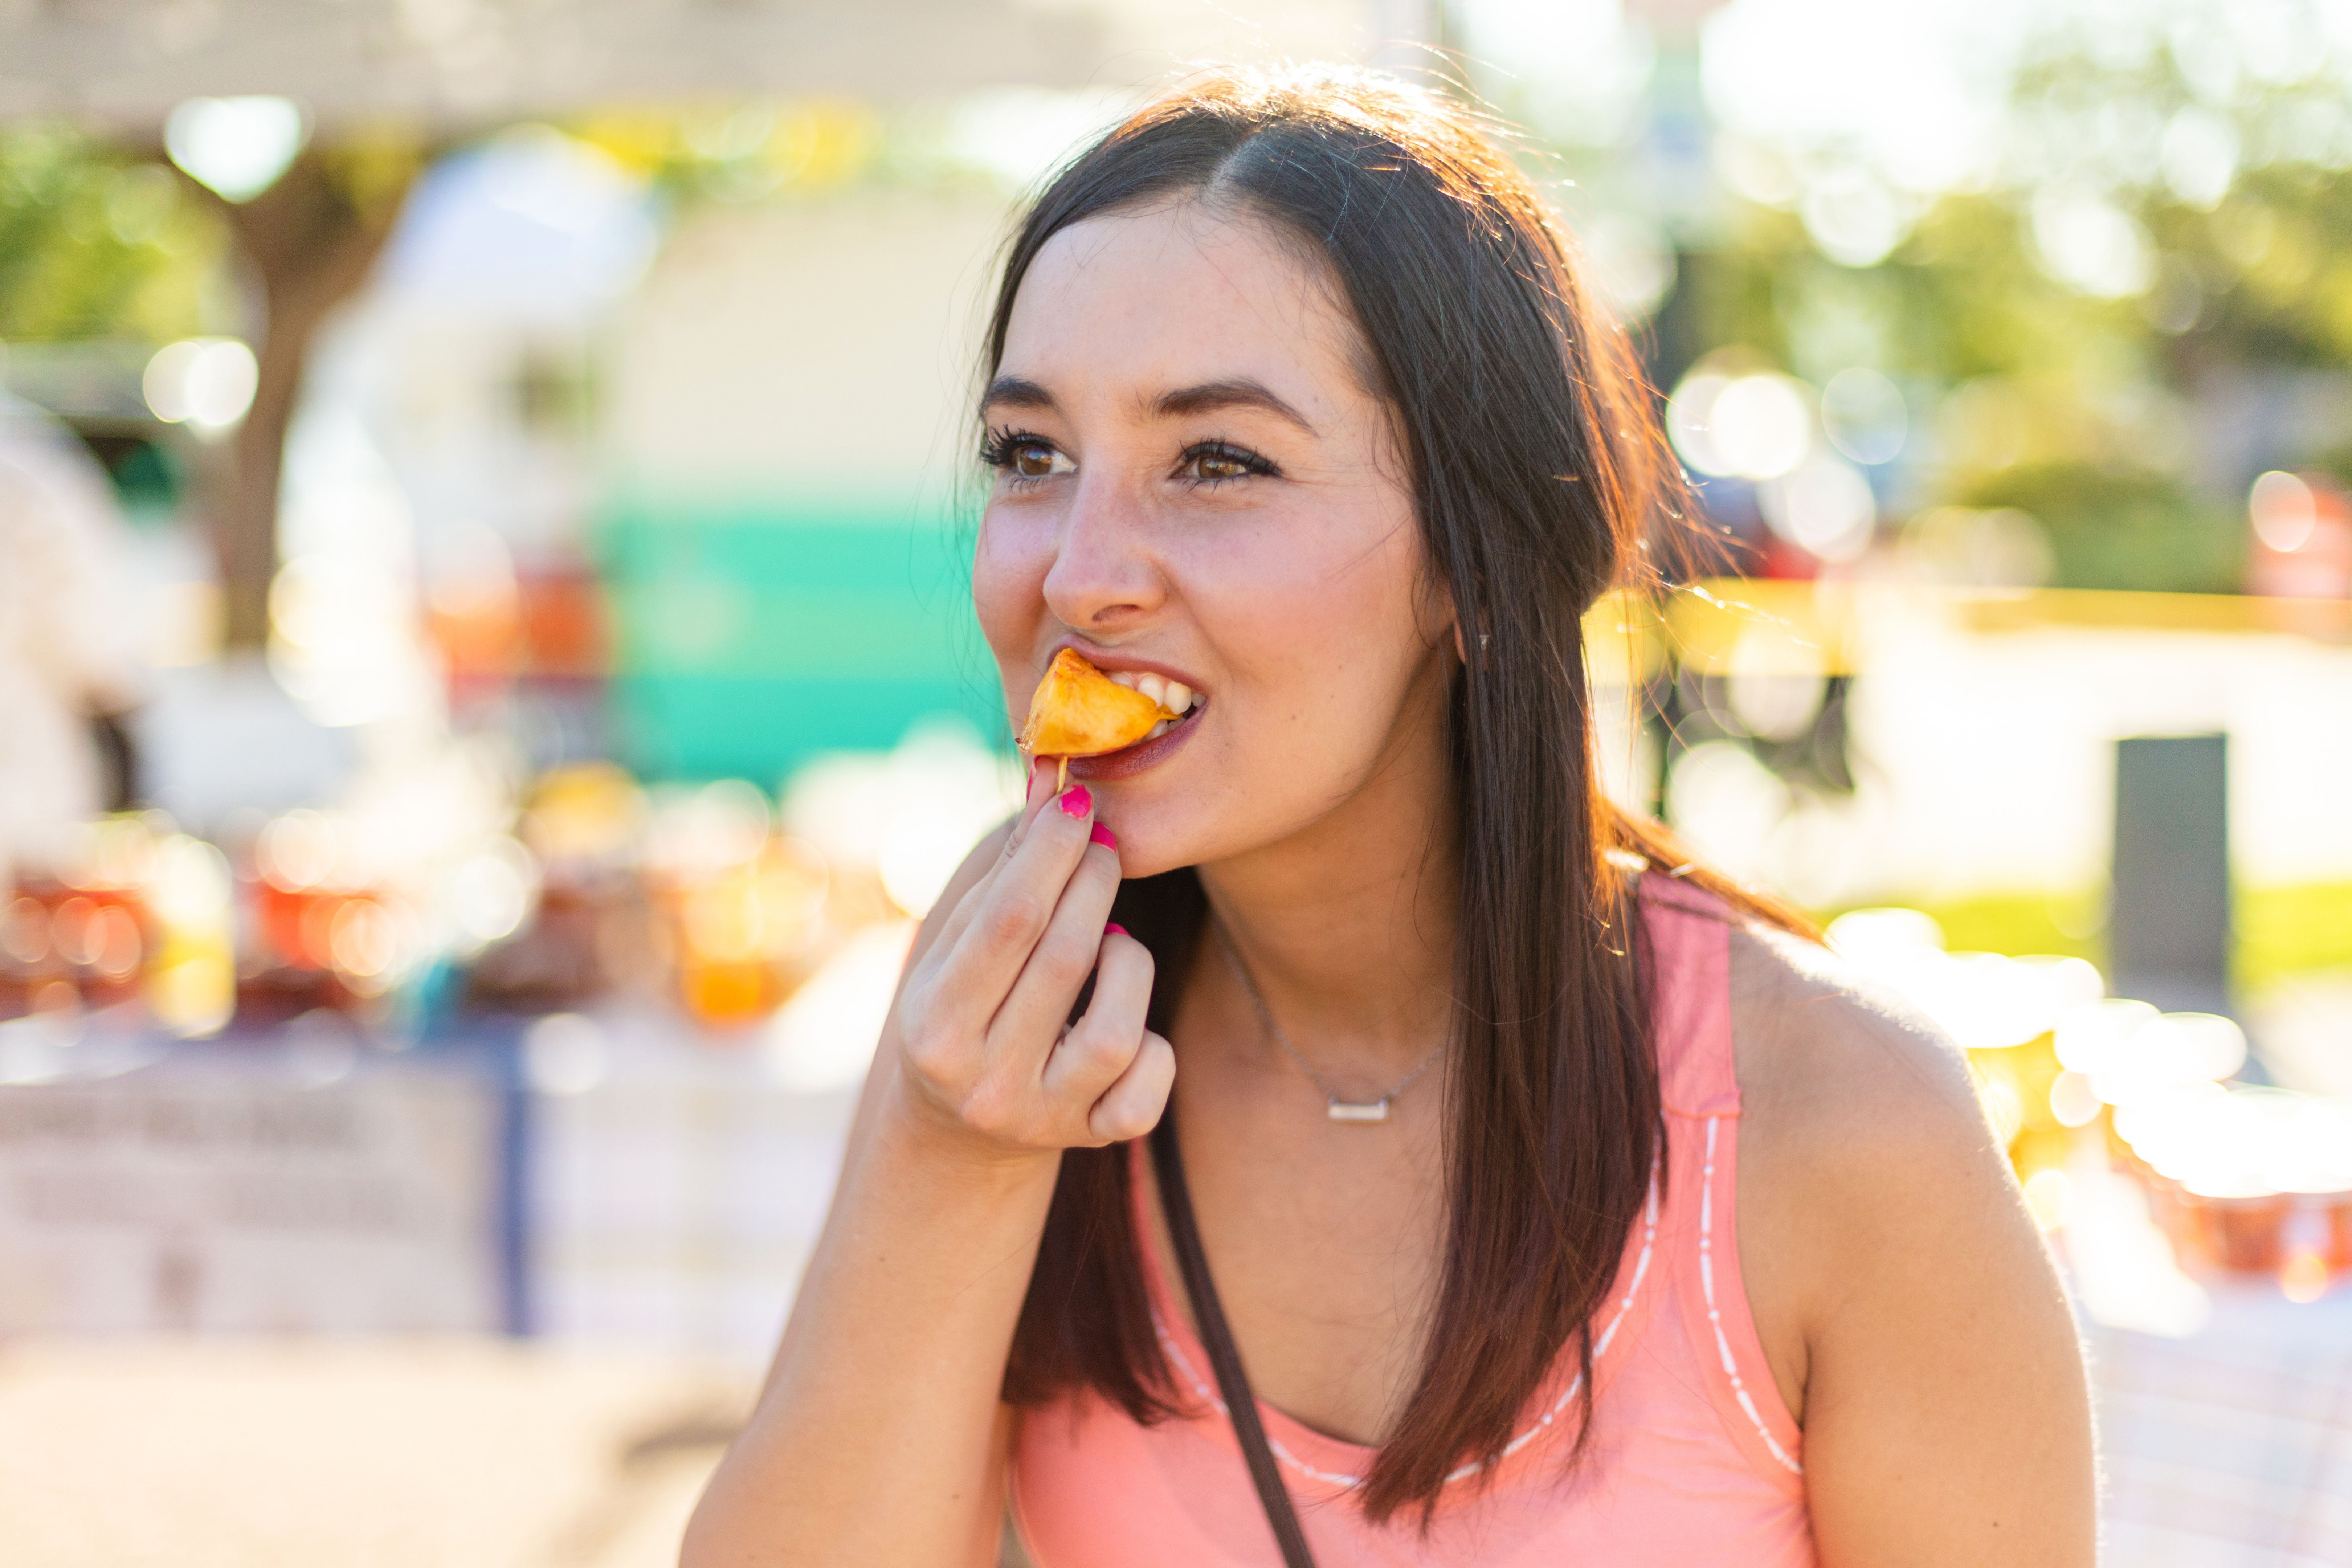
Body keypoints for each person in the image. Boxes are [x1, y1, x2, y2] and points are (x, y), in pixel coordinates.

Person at [686, 67, 2094, 1567]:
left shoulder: (1847, 1132)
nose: (1079, 578)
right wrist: (949, 1152)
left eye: (1218, 463)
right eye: (1032, 456)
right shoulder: (1008, 1034)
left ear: (1473, 562)